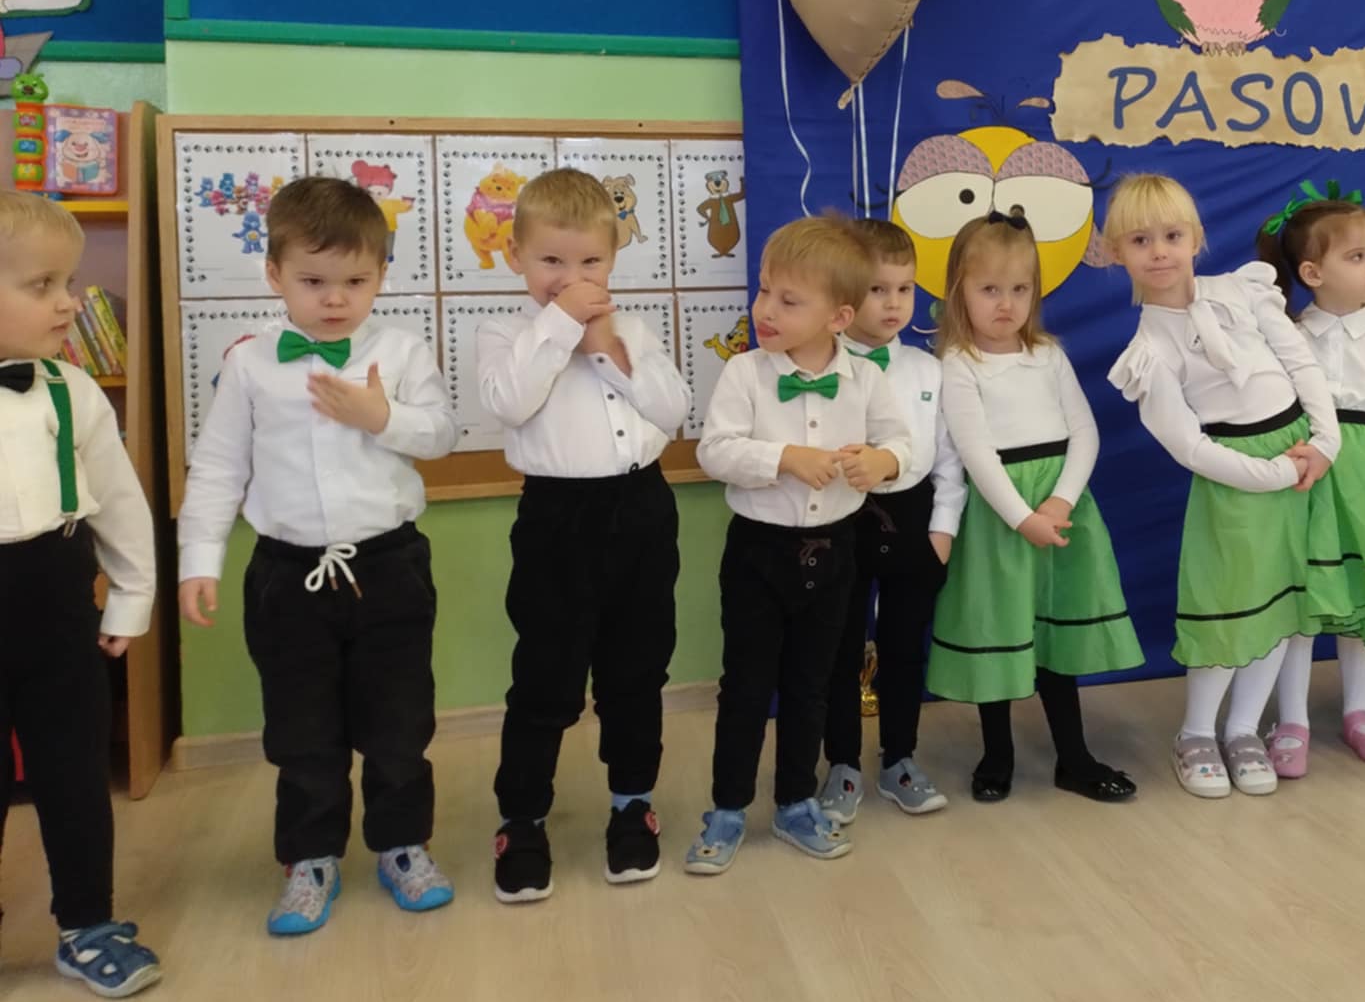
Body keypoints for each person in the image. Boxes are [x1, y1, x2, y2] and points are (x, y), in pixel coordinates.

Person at [180, 177, 458, 934]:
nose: (335, 299)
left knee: (400, 722)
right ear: (274, 274)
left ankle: (402, 844)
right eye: (313, 281)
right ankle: (310, 858)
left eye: (355, 282)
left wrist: (382, 415)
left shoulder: (400, 351)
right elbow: (218, 467)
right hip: (287, 573)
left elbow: (440, 434)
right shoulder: (249, 364)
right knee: (301, 729)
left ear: (380, 276)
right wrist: (199, 559)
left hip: (389, 567)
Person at [478, 170, 690, 902]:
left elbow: (672, 409)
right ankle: (522, 819)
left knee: (638, 670)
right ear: (516, 257)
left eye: (590, 262)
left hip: (642, 509)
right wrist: (562, 326)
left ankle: (632, 803)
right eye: (551, 262)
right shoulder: (505, 333)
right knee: (546, 675)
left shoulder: (634, 329)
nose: (571, 278)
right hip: (557, 520)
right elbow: (510, 402)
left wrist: (605, 346)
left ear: (612, 259)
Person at [1103, 174, 1340, 799]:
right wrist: (1273, 474)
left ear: (1196, 238)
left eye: (1171, 235)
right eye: (1140, 240)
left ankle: (1242, 729)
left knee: (1282, 605)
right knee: (1230, 609)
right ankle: (1197, 732)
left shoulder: (1243, 292)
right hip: (1239, 479)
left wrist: (1325, 442)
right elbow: (1187, 445)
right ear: (1114, 251)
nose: (1159, 251)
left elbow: (1302, 362)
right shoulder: (1148, 350)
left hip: (1304, 460)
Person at [689, 216, 911, 872]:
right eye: (764, 291)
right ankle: (728, 807)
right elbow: (715, 451)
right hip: (758, 554)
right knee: (746, 686)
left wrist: (884, 462)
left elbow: (902, 441)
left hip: (836, 550)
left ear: (839, 317)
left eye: (788, 300)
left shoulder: (866, 379)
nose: (766, 310)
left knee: (811, 684)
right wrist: (784, 456)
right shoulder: (745, 374)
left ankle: (794, 802)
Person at [0, 192, 161, 996]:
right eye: (42, 286)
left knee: (74, 774)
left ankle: (88, 924)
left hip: (58, 607)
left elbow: (121, 506)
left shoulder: (74, 391)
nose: (69, 302)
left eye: (67, 283)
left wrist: (130, 599)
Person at [927, 211, 1142, 804]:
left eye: (1020, 289)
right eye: (989, 289)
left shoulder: (1048, 354)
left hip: (1061, 510)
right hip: (1001, 519)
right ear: (960, 291)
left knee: (1054, 642)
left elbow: (1085, 432)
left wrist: (1060, 502)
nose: (1006, 304)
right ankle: (997, 754)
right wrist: (1024, 518)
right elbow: (975, 454)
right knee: (999, 630)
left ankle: (1074, 757)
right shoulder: (958, 365)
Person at [1257, 186, 1365, 771]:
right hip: (1308, 483)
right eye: (1356, 256)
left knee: (1363, 597)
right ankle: (1292, 719)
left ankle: (1360, 709)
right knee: (1303, 603)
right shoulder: (1287, 338)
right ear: (1312, 272)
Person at [817, 219, 965, 821]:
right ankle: (843, 763)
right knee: (840, 645)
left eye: (905, 289)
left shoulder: (929, 370)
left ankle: (900, 758)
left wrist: (942, 530)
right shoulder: (822, 366)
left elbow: (950, 457)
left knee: (905, 647)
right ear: (845, 293)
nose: (893, 304)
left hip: (912, 518)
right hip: (842, 518)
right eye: (877, 289)